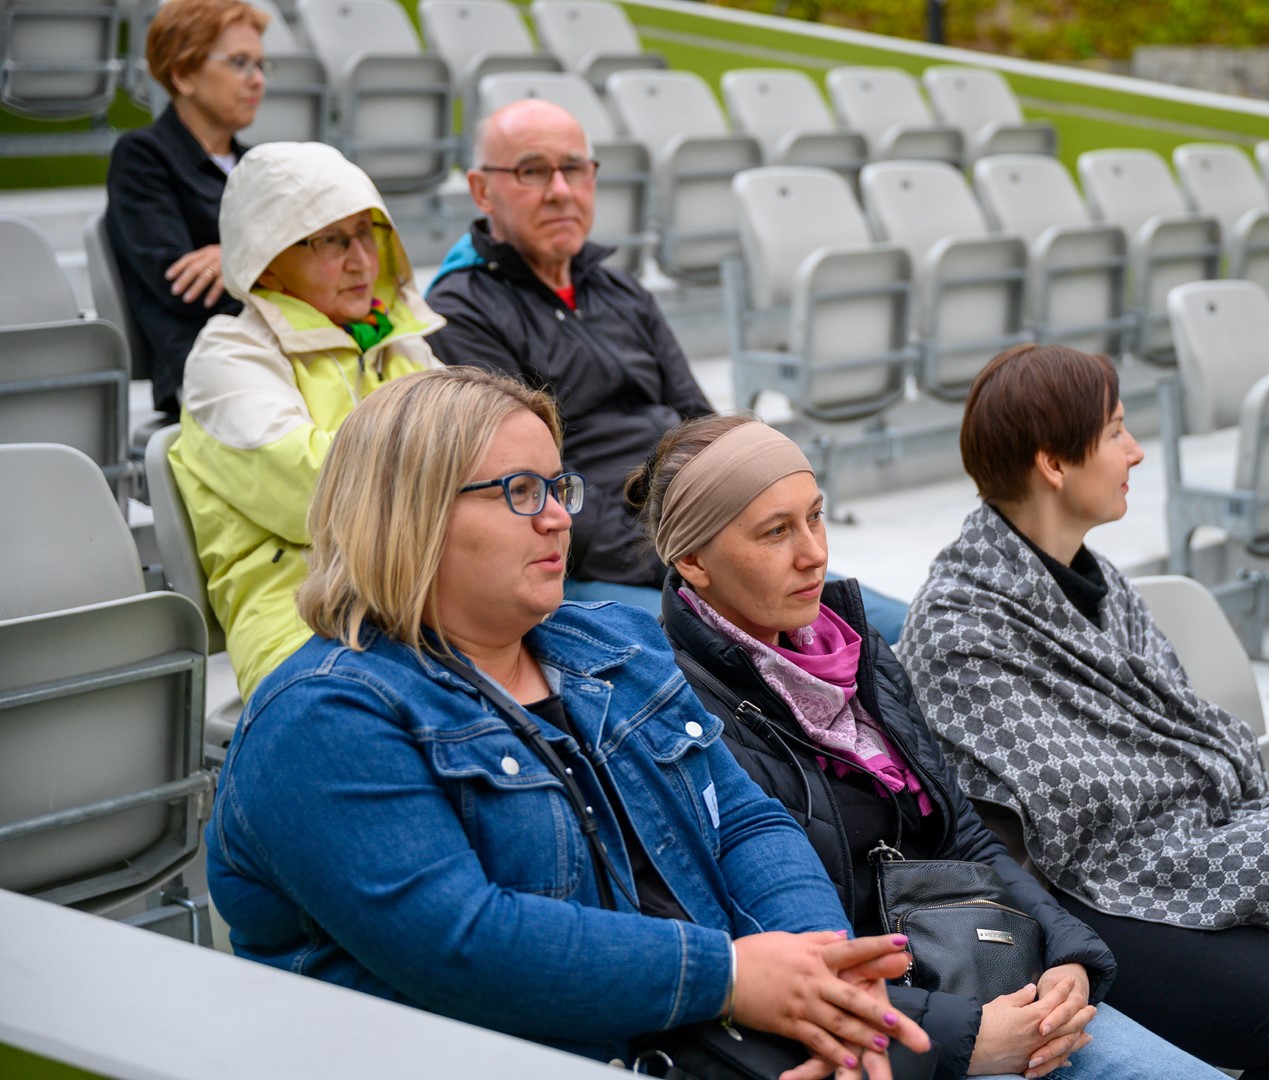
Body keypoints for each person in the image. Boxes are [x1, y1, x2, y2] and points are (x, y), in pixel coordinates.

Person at [206, 366, 933, 1079]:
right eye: (521, 492)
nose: (559, 517)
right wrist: (733, 976)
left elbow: (744, 822)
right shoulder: (322, 718)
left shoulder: (613, 644)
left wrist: (824, 968)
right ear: (409, 513)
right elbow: (465, 943)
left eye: (558, 488)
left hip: (714, 1041)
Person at [630, 414, 1227, 1080]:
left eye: (816, 517)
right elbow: (763, 954)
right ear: (692, 561)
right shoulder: (677, 715)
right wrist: (966, 1039)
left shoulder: (859, 654)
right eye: (775, 532)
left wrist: (1068, 955)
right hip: (885, 1035)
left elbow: (962, 835)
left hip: (986, 975)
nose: (813, 553)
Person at [898, 343, 1269, 1080]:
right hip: (1067, 892)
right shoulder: (958, 630)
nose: (1136, 451)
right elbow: (1068, 810)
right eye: (1115, 431)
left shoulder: (1098, 581)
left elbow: (1169, 731)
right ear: (1053, 464)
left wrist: (1192, 799)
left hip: (1163, 844)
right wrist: (1188, 793)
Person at [426, 99, 911, 642]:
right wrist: (693, 557)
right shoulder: (460, 311)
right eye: (532, 171)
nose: (560, 190)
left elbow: (702, 428)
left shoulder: (620, 290)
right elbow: (533, 489)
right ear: (481, 190)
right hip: (594, 563)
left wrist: (741, 534)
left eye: (574, 168)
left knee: (898, 625)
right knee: (750, 651)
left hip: (699, 540)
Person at [169, 141, 443, 700]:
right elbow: (320, 491)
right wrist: (447, 464)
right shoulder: (230, 356)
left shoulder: (399, 343)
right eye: (330, 241)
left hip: (427, 605)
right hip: (302, 625)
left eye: (366, 233)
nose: (362, 261)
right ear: (266, 259)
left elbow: (481, 449)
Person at [106, 0, 269, 421]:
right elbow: (183, 286)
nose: (257, 80)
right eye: (239, 63)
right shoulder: (143, 156)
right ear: (183, 74)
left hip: (274, 349)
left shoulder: (260, 164)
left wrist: (231, 260)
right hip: (205, 367)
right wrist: (261, 259)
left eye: (260, 65)